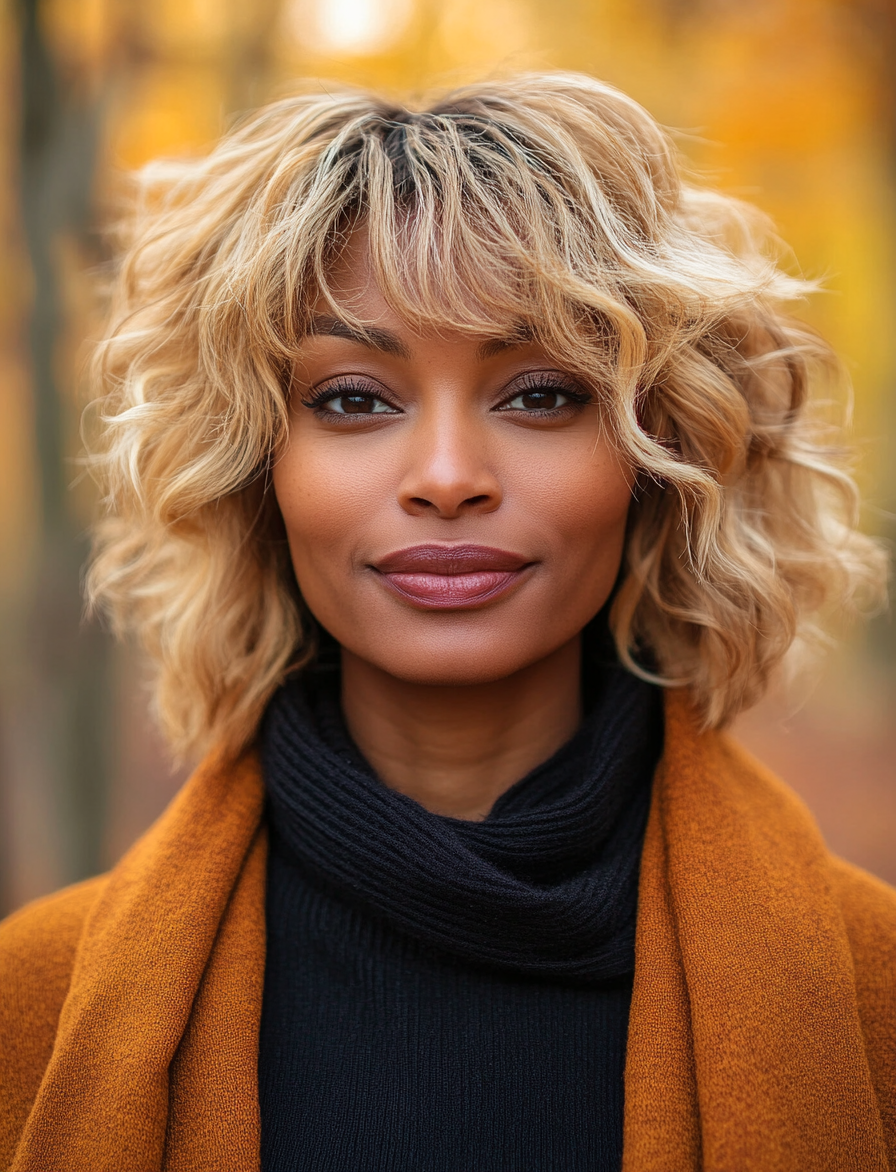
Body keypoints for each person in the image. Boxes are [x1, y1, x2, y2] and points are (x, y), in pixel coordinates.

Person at [1, 74, 893, 1172]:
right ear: (254, 472)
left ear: (659, 457)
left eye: (540, 393)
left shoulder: (874, 990)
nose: (446, 478)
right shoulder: (30, 1008)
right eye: (352, 399)